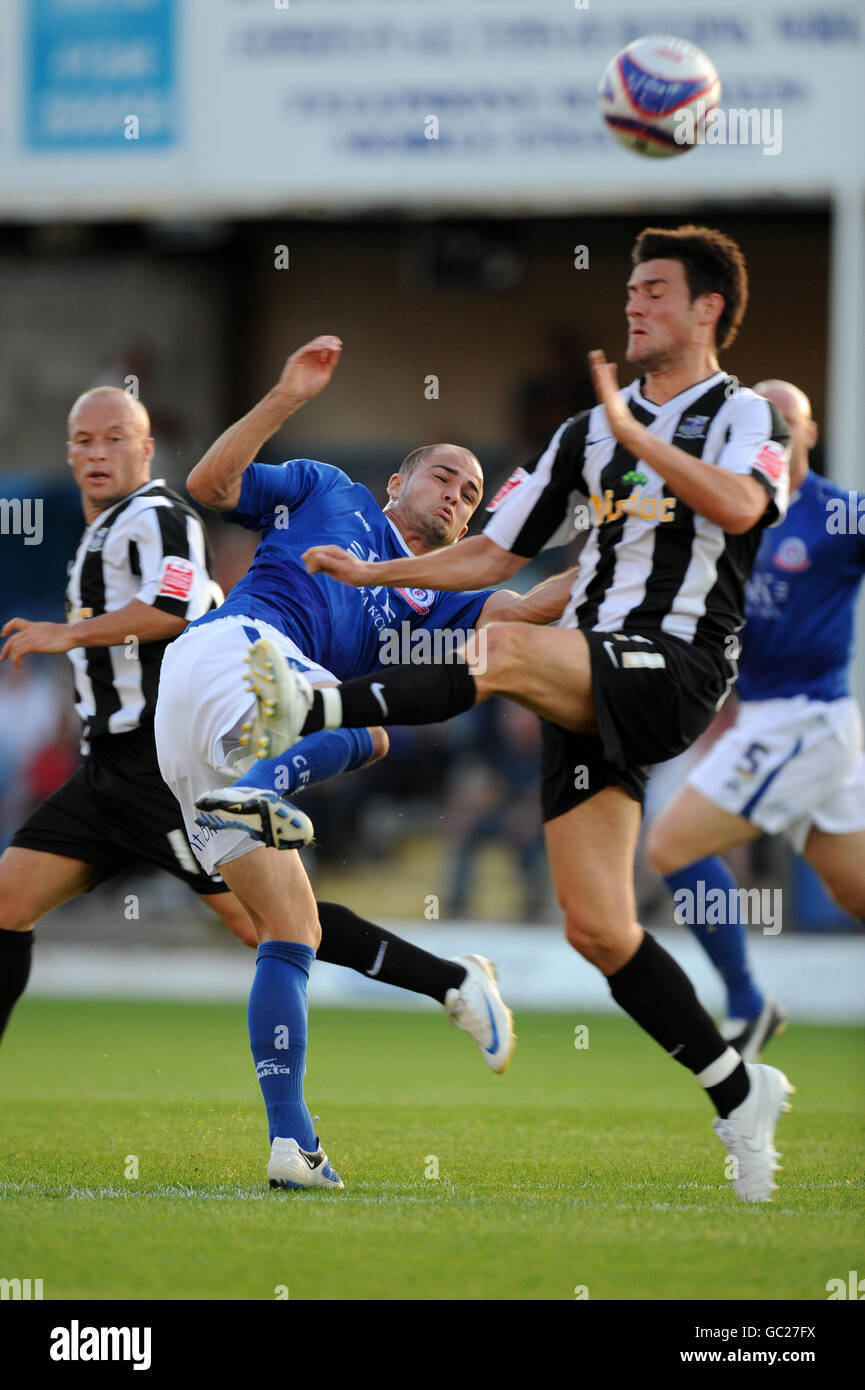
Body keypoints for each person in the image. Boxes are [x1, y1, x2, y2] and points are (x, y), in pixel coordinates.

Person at [247, 227, 798, 1204]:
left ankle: (317, 702)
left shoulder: (737, 410)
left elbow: (746, 507)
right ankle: (735, 1085)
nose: (633, 305)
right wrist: (375, 569)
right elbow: (493, 558)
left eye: (656, 291)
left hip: (677, 662)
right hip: (593, 680)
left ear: (708, 309)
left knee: (496, 651)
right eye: (629, 289)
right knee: (599, 928)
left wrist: (642, 442)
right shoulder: (586, 433)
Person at [0, 385, 513, 1089]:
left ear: (145, 448)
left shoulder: (157, 519)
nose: (97, 453)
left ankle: (445, 982)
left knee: (273, 923)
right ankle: (450, 985)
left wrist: (68, 633)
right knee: (9, 905)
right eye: (84, 441)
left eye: (115, 438)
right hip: (110, 764)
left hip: (175, 747)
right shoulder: (104, 530)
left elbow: (176, 609)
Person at [155, 334, 565, 1190]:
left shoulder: (444, 589)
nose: (457, 494)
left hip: (213, 725)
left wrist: (619, 562)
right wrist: (286, 395)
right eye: (443, 475)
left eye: (471, 492)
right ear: (395, 483)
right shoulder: (325, 488)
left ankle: (291, 1146)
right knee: (375, 730)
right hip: (239, 653)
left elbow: (525, 612)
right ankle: (259, 791)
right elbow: (207, 487)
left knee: (292, 930)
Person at [646, 379, 865, 1058]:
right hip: (768, 720)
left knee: (670, 846)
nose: (770, 430)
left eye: (783, 420)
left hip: (805, 720)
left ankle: (745, 1002)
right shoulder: (728, 511)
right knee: (854, 891)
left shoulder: (835, 515)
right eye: (757, 420)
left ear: (807, 432)